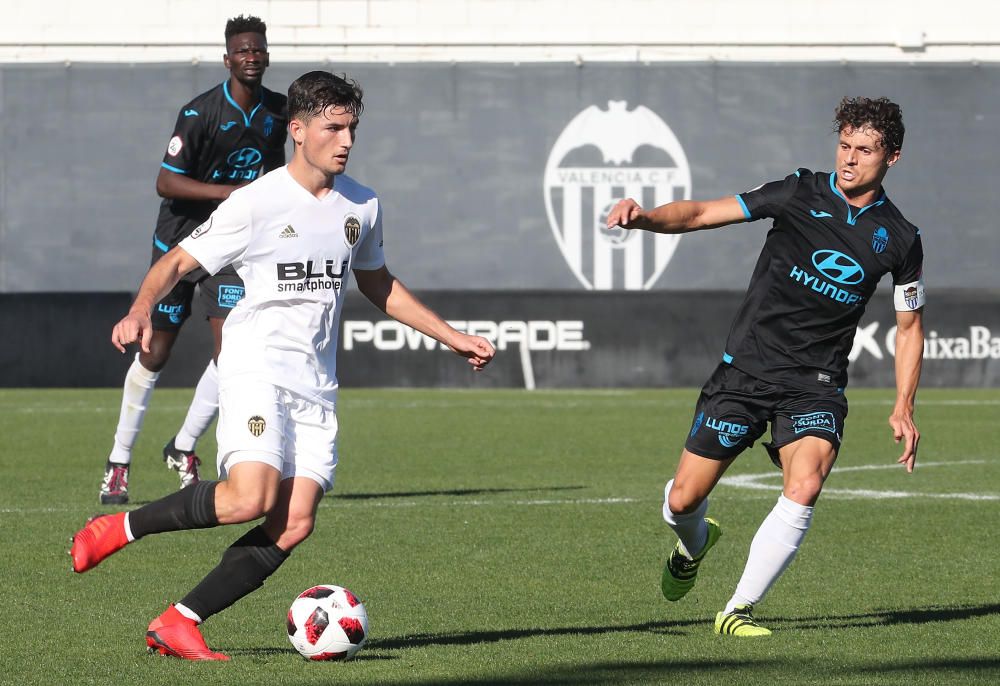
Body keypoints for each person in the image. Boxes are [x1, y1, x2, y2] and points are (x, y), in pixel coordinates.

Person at [71, 70, 496, 661]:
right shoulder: (257, 202)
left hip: (316, 384)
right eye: (333, 128)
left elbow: (377, 282)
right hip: (255, 366)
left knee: (295, 522)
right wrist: (141, 308)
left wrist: (451, 336)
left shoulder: (363, 205)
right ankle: (118, 528)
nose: (345, 140)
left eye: (352, 128)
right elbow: (176, 261)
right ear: (298, 130)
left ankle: (179, 621)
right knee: (249, 498)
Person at [606, 97, 924, 637]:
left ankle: (737, 610)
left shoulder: (900, 237)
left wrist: (903, 405)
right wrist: (646, 219)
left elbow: (910, 326)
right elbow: (704, 213)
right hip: (746, 373)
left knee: (805, 484)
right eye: (844, 146)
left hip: (815, 387)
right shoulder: (800, 191)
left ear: (892, 157)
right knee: (683, 499)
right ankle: (695, 541)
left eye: (865, 150)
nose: (849, 159)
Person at [99, 15, 288, 505]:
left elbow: (273, 178)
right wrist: (229, 193)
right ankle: (119, 461)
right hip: (180, 242)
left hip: (229, 247)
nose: (251, 57)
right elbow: (165, 182)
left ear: (266, 56)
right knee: (155, 352)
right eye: (242, 51)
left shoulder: (278, 111)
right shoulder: (199, 112)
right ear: (228, 60)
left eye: (258, 50)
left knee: (231, 353)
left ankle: (183, 446)